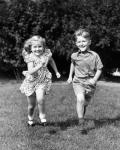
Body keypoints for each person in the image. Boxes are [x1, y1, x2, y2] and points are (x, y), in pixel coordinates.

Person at [20, 35, 61, 126]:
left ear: (43, 47)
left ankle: (42, 116)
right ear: (31, 48)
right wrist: (39, 65)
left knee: (40, 99)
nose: (37, 49)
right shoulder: (30, 57)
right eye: (35, 47)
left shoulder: (46, 54)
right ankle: (30, 119)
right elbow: (30, 71)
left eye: (40, 46)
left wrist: (56, 71)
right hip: (31, 82)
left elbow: (51, 61)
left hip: (42, 81)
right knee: (31, 106)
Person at [67, 28, 103, 128]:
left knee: (85, 103)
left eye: (84, 41)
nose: (81, 43)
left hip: (90, 83)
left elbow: (99, 69)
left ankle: (82, 115)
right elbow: (72, 65)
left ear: (89, 42)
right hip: (78, 81)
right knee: (80, 99)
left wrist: (94, 79)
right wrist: (70, 76)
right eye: (79, 41)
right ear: (76, 43)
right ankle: (81, 121)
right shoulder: (74, 55)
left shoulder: (95, 55)